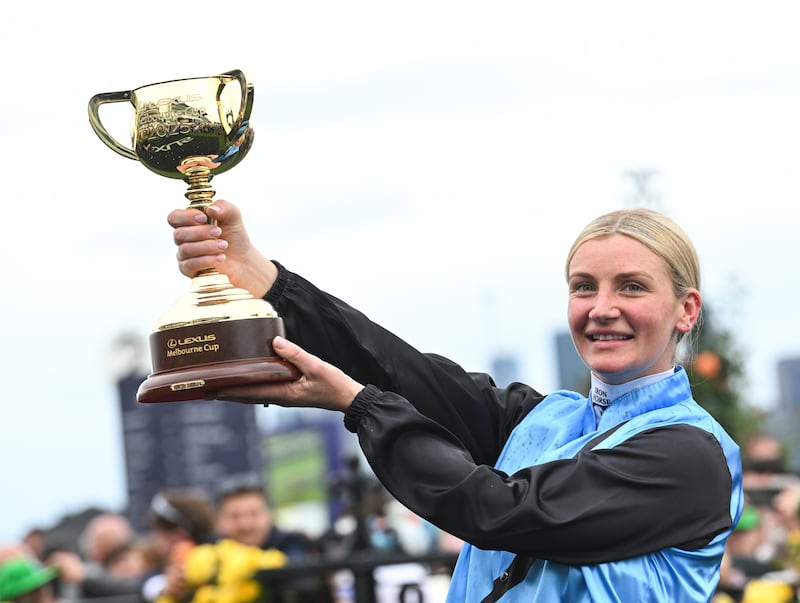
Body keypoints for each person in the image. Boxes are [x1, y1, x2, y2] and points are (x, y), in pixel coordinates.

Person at [168, 200, 744, 602]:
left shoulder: (691, 455)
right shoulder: (544, 417)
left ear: (686, 310)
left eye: (632, 286)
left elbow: (500, 511)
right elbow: (404, 371)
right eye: (583, 286)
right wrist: (269, 283)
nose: (601, 307)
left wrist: (360, 406)